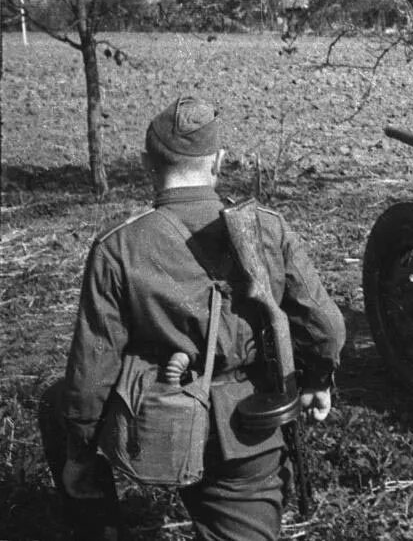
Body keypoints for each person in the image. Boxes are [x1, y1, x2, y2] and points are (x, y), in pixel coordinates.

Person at [39, 96, 347, 541]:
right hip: (245, 429)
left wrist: (81, 454)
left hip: (150, 427)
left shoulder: (117, 246)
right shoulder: (268, 227)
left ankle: (101, 525)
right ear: (218, 161)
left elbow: (91, 375)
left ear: (148, 163)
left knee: (58, 403)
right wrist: (317, 380)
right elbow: (327, 329)